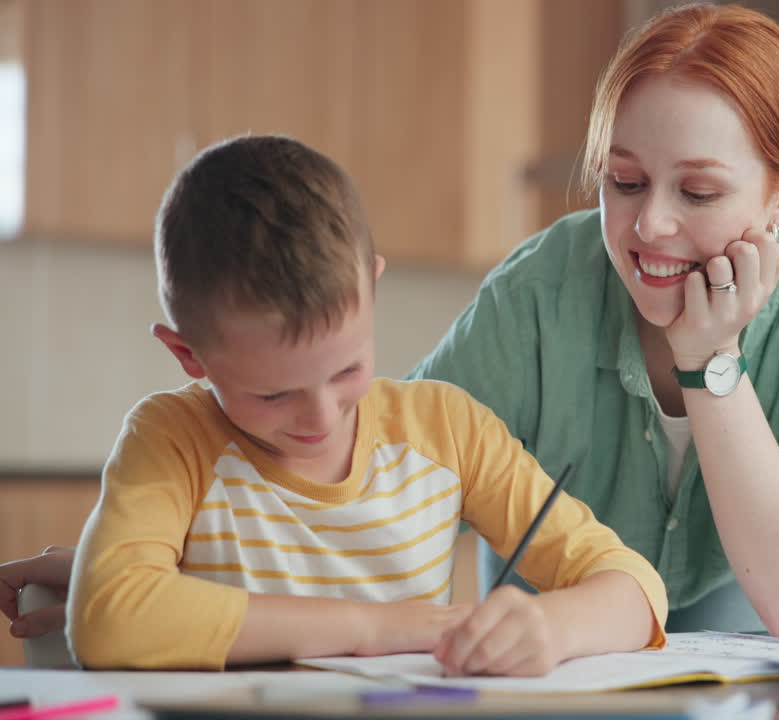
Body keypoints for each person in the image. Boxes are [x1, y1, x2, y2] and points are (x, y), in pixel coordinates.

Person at [2, 3, 779, 645]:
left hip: (747, 663)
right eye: (623, 182)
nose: (649, 227)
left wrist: (712, 361)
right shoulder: (543, 289)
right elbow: (376, 475)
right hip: (537, 667)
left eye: (701, 192)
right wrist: (130, 561)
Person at [49, 135, 666, 672]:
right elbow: (109, 618)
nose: (320, 416)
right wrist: (380, 630)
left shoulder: (447, 430)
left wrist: (551, 630)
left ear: (372, 287)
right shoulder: (171, 439)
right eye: (273, 393)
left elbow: (638, 591)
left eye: (346, 369)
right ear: (190, 357)